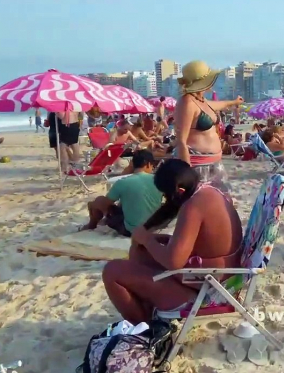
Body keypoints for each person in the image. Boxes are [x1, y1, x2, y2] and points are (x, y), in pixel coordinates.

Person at [102, 159, 243, 323]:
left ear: (179, 190)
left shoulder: (193, 206)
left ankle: (145, 328)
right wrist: (155, 240)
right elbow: (206, 243)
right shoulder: (209, 192)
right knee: (139, 251)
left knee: (112, 271)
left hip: (209, 289)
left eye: (166, 195)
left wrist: (147, 239)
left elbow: (174, 262)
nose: (165, 199)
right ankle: (149, 308)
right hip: (217, 277)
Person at [173, 60, 243, 194]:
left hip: (214, 163)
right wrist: (186, 173)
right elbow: (181, 139)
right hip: (197, 165)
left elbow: (220, 104)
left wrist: (234, 102)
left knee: (221, 200)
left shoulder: (201, 100)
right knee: (202, 203)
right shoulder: (187, 102)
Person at [81, 150, 162, 237]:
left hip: (130, 231)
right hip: (154, 228)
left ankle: (91, 226)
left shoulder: (122, 182)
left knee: (98, 201)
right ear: (149, 164)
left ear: (132, 164)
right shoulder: (159, 180)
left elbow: (105, 203)